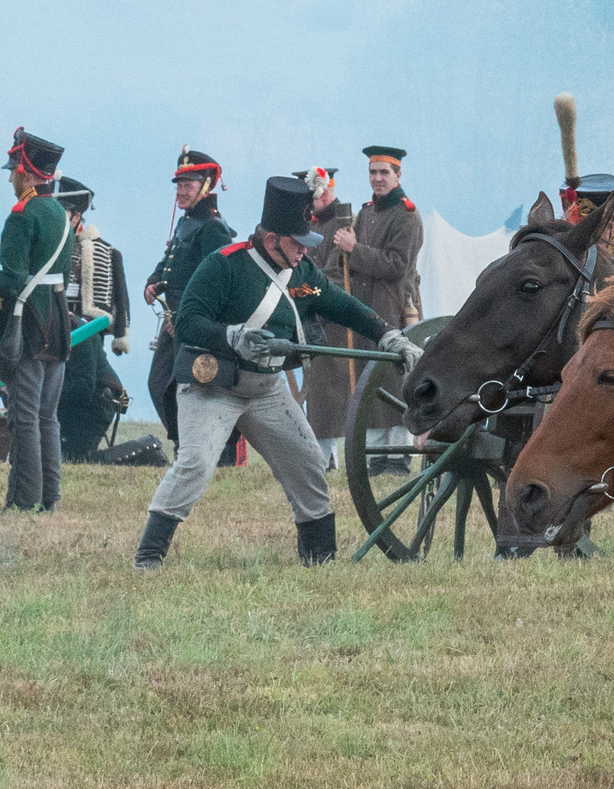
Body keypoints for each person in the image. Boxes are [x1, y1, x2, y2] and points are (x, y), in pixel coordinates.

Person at [133, 175, 420, 570]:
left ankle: (320, 561)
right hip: (214, 385)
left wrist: (388, 336)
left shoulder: (301, 273)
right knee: (196, 465)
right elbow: (188, 323)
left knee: (308, 465)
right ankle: (148, 557)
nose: (304, 251)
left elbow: (342, 305)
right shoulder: (223, 265)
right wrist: (232, 335)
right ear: (272, 240)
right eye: (297, 243)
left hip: (266, 389)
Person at [0, 129, 71, 512]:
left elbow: (12, 277)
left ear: (30, 172)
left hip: (29, 321)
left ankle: (22, 500)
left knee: (25, 417)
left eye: (15, 169)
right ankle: (49, 498)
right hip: (58, 318)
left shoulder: (22, 214)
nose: (10, 177)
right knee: (48, 418)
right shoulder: (61, 213)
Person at [143, 147, 235, 453]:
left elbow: (212, 285)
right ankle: (186, 447)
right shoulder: (186, 223)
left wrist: (183, 318)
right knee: (159, 386)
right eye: (180, 186)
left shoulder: (214, 228)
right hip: (174, 322)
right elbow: (170, 261)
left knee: (189, 390)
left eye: (188, 186)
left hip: (193, 323)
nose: (181, 192)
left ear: (206, 186)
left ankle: (199, 450)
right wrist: (153, 282)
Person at [338, 146, 424, 467]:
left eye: (384, 173)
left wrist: (354, 248)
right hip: (366, 308)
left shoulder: (407, 215)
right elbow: (352, 262)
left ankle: (398, 457)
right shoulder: (365, 213)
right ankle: (374, 459)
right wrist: (344, 249)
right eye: (373, 172)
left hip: (394, 308)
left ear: (398, 175)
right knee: (369, 383)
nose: (377, 179)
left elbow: (396, 266)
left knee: (393, 382)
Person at [56, 177, 134, 461]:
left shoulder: (105, 251)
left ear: (77, 214)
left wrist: (121, 332)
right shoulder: (52, 247)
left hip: (85, 333)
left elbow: (120, 295)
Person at [299, 167, 357, 467]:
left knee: (332, 394)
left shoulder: (343, 223)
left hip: (333, 317)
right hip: (314, 314)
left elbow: (337, 273)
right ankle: (326, 456)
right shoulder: (311, 224)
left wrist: (304, 287)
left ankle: (329, 455)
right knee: (319, 395)